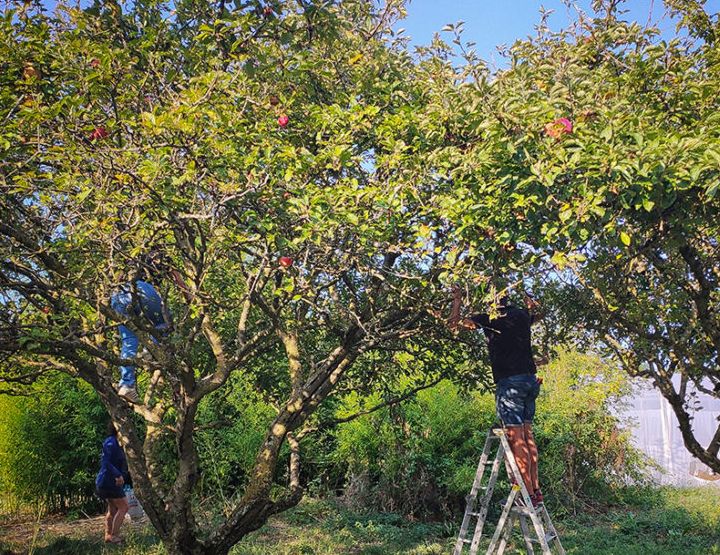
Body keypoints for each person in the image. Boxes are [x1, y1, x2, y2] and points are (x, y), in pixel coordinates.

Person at [451, 287, 545, 506]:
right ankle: (535, 490)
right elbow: (537, 314)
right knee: (527, 435)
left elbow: (454, 325)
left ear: (489, 302)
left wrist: (457, 300)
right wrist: (531, 303)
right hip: (530, 380)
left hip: (510, 383)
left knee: (515, 438)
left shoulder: (489, 318)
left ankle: (525, 494)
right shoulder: (520, 315)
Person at [111, 279, 170, 403]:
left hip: (117, 294)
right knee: (165, 321)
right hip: (141, 288)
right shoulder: (159, 258)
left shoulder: (116, 262)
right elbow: (178, 278)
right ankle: (150, 350)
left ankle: (126, 385)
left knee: (128, 339)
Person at [95, 421, 129, 545]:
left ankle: (108, 535)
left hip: (109, 480)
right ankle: (114, 536)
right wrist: (118, 475)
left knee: (113, 508)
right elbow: (106, 462)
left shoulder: (117, 443)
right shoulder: (110, 442)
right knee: (124, 507)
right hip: (109, 480)